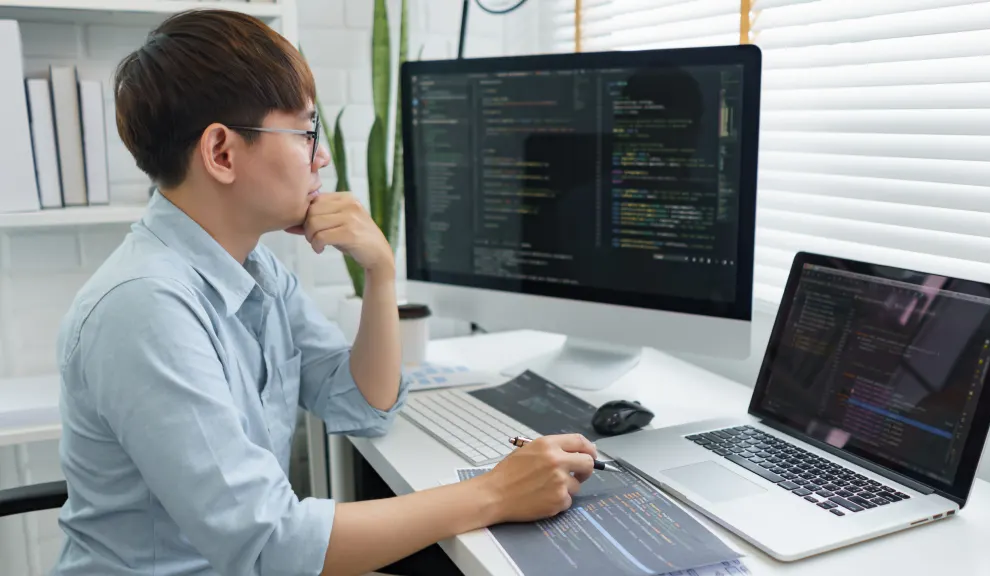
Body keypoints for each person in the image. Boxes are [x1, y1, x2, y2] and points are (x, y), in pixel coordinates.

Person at [53, 9, 599, 576]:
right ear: (221, 153)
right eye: (305, 132)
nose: (323, 158)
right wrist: (496, 494)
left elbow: (363, 404)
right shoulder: (145, 308)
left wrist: (381, 271)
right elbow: (269, 544)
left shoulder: (255, 269)